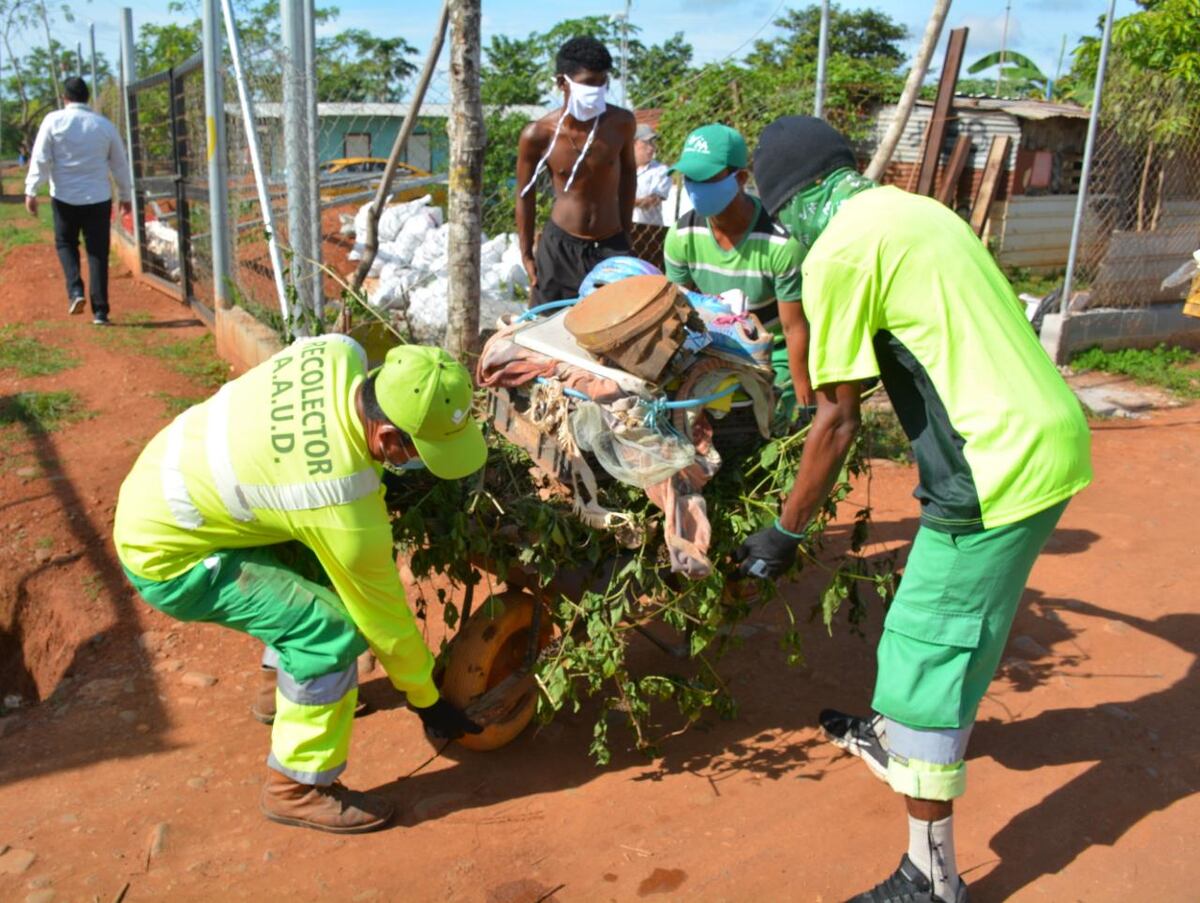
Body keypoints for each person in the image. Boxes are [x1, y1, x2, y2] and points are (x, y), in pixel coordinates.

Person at [734, 116, 1093, 902]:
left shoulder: (835, 252)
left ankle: (930, 878)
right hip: (1048, 435)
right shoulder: (919, 209)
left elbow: (835, 418)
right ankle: (892, 733)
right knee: (956, 626)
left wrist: (787, 529)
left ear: (786, 204)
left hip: (990, 467)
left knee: (922, 655)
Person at [114, 336, 486, 834]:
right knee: (329, 632)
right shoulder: (337, 497)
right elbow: (384, 617)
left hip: (170, 476)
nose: (419, 464)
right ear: (388, 437)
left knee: (314, 566)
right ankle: (297, 789)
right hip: (169, 555)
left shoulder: (337, 352)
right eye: (421, 452)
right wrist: (427, 698)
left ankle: (279, 694)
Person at [662, 123, 814, 418]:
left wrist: (804, 399)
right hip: (711, 351)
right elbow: (674, 311)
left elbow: (793, 329)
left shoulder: (780, 244)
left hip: (772, 358)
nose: (695, 187)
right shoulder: (682, 236)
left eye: (706, 178)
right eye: (689, 178)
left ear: (740, 178)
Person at [516, 36, 636, 305]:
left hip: (610, 245)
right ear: (562, 83)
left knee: (617, 327)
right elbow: (525, 194)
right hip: (560, 248)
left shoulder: (620, 124)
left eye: (602, 82)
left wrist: (626, 232)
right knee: (545, 328)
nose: (596, 90)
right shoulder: (538, 134)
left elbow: (629, 175)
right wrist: (526, 254)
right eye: (587, 84)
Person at [24, 76, 132, 326]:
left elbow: (40, 158)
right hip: (98, 198)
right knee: (97, 252)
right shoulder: (104, 126)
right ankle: (101, 312)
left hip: (64, 197)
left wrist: (31, 191)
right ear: (87, 98)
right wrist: (125, 196)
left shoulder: (53, 121)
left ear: (65, 98)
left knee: (65, 243)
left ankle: (75, 291)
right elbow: (119, 165)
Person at [632, 124, 671, 226]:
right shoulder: (620, 168)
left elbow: (652, 201)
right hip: (620, 228)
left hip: (648, 228)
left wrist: (622, 202)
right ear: (633, 143)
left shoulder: (661, 170)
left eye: (653, 143)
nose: (651, 148)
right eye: (646, 142)